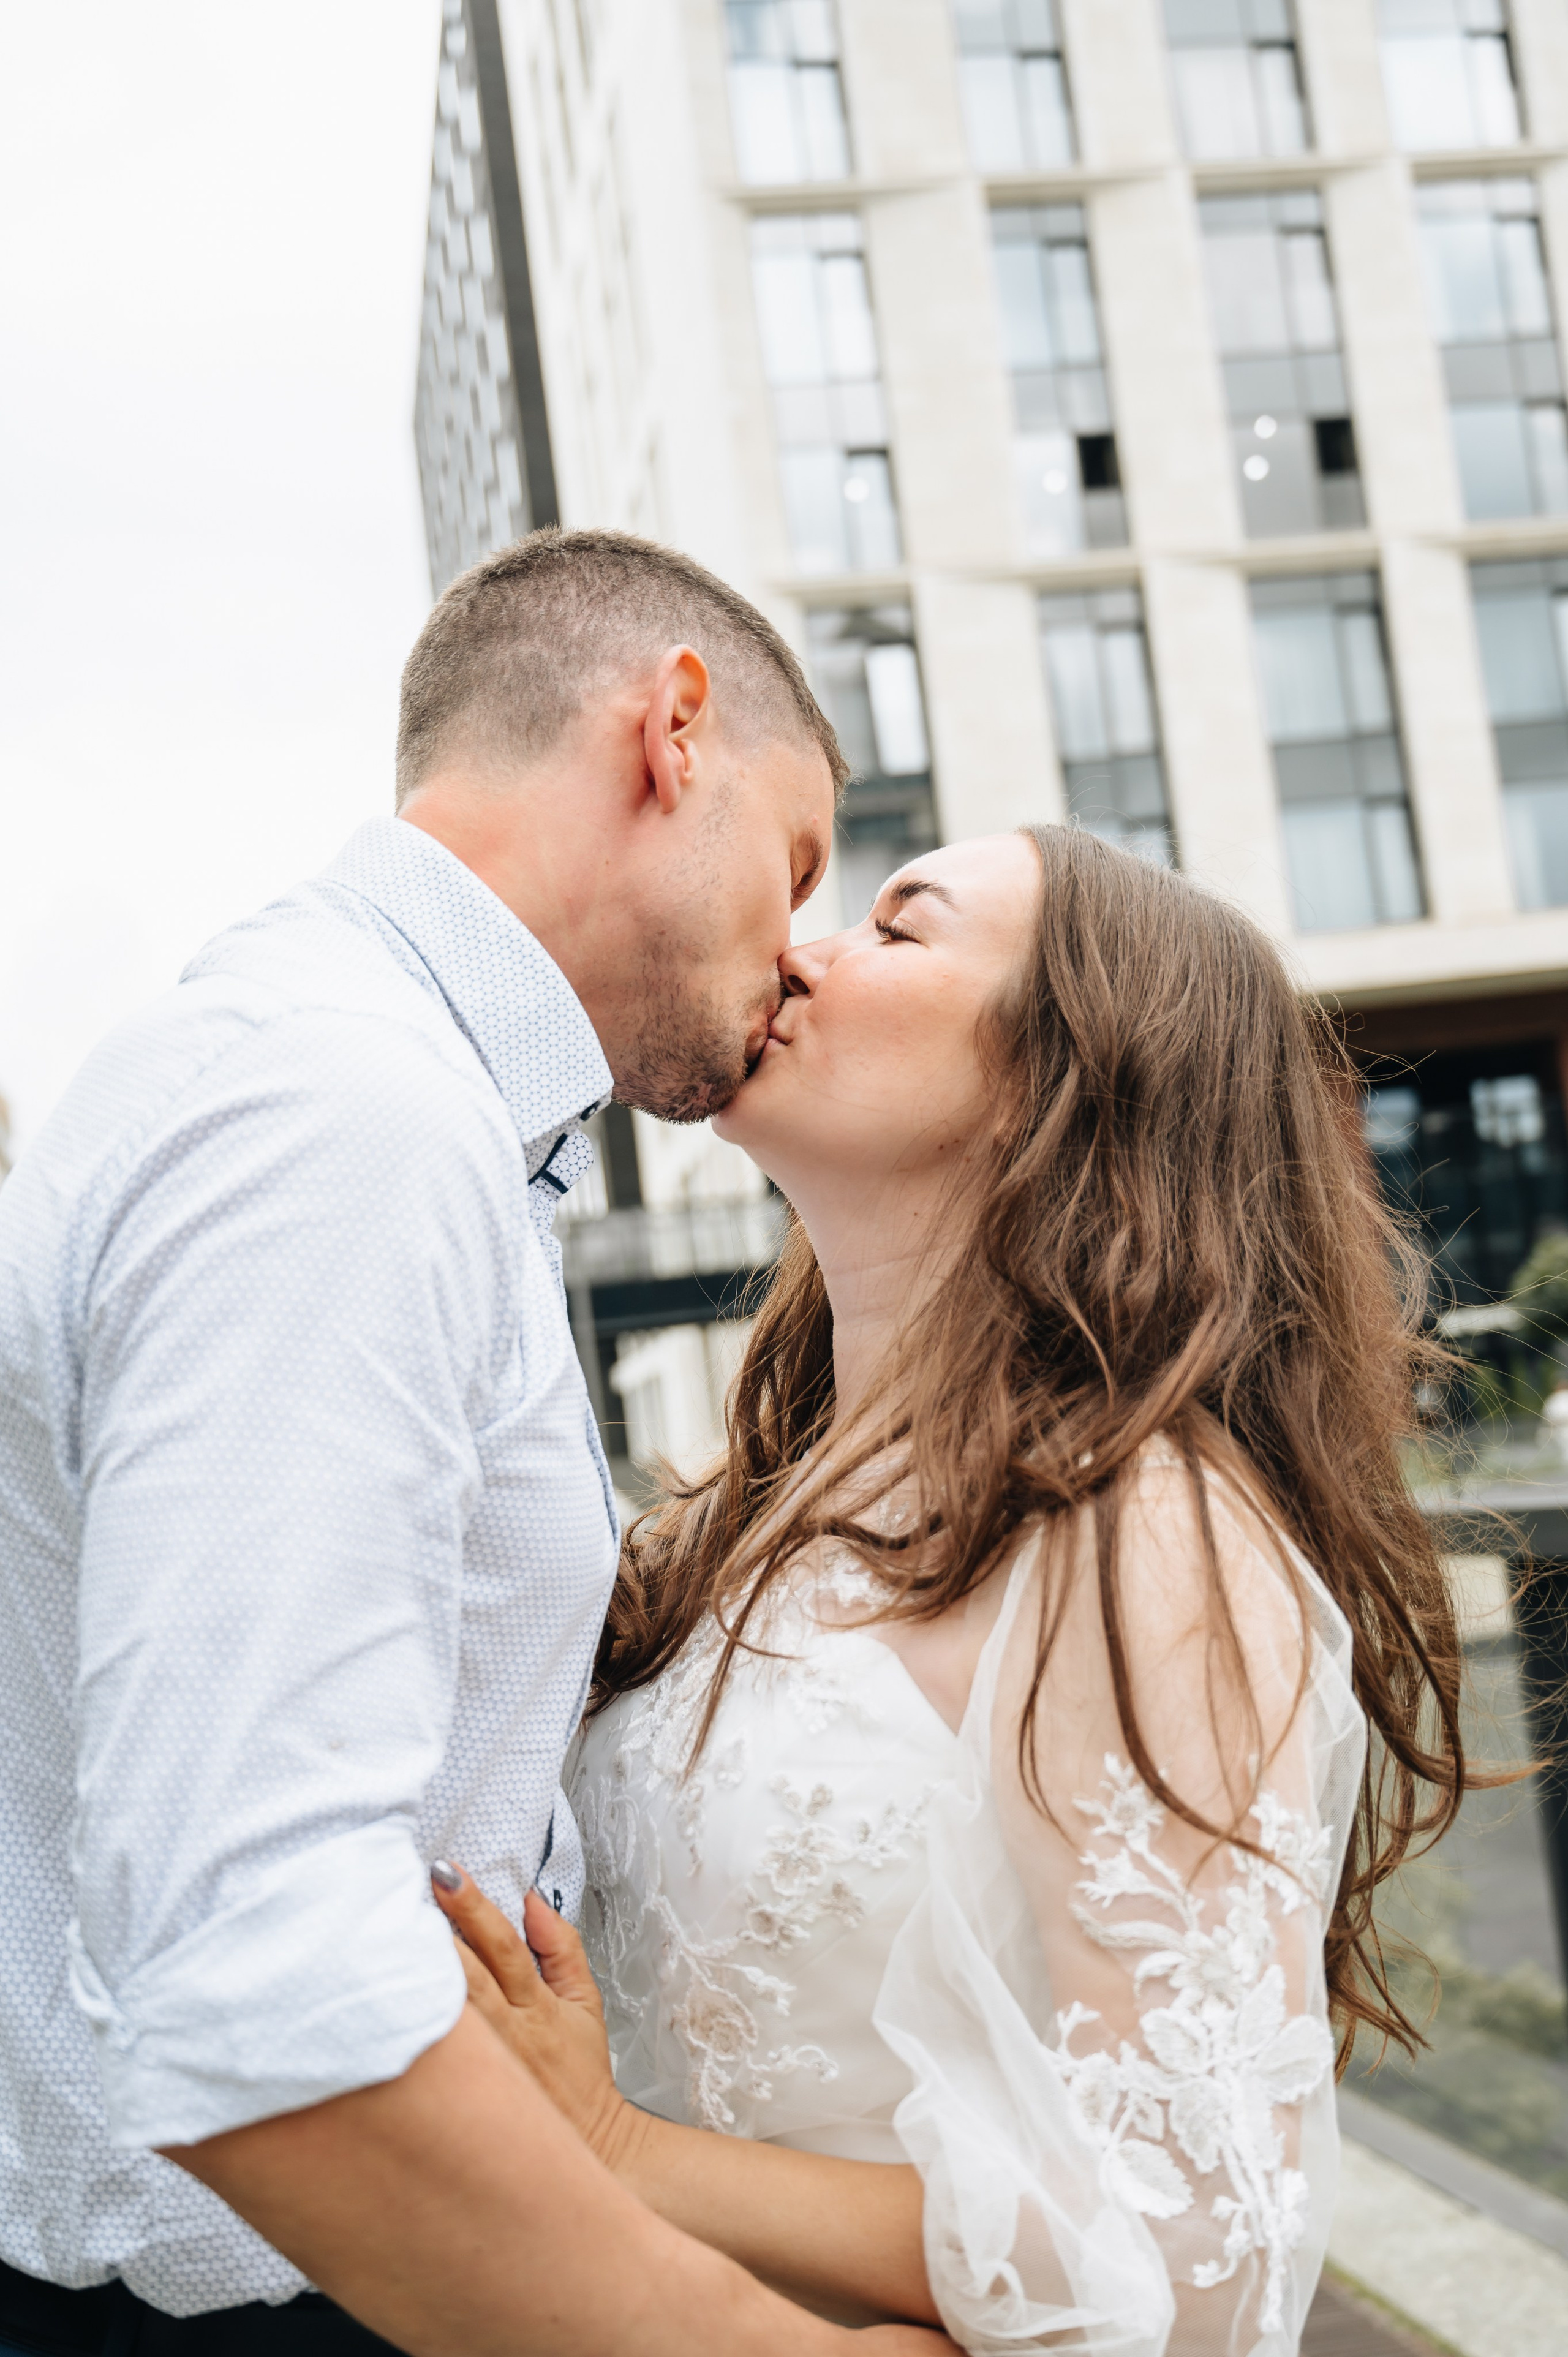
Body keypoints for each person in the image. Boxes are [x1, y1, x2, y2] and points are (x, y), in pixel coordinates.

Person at [0, 528, 952, 2357]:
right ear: (674, 733)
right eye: (800, 859)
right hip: (289, 2299)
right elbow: (250, 1968)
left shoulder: (360, 1086)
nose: (799, 947)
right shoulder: (345, 1121)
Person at [429, 825, 1469, 2355]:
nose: (799, 950)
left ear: (1071, 1079)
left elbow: (1201, 2252)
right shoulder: (721, 1524)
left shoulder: (1137, 1530)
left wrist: (618, 2148)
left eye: (899, 930)